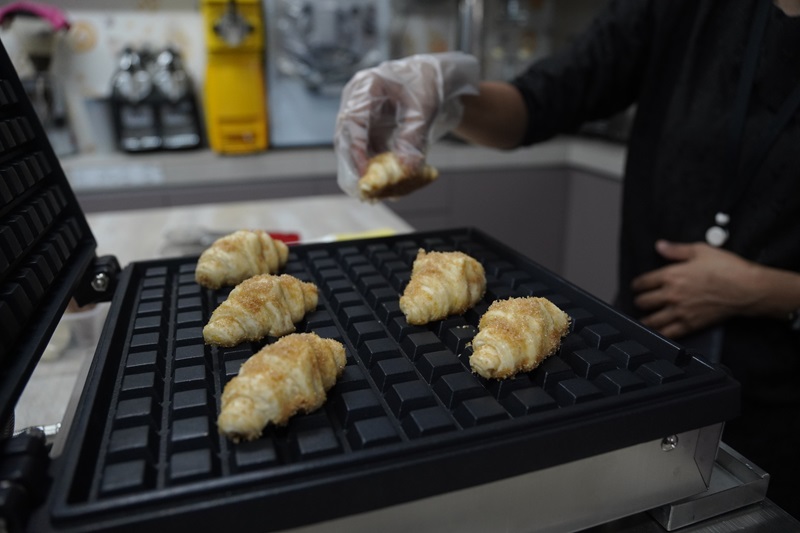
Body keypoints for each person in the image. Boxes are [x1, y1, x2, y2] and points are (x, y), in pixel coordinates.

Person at [334, 0, 800, 519]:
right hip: (639, 361)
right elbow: (543, 99)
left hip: (785, 400)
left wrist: (768, 290)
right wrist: (446, 96)